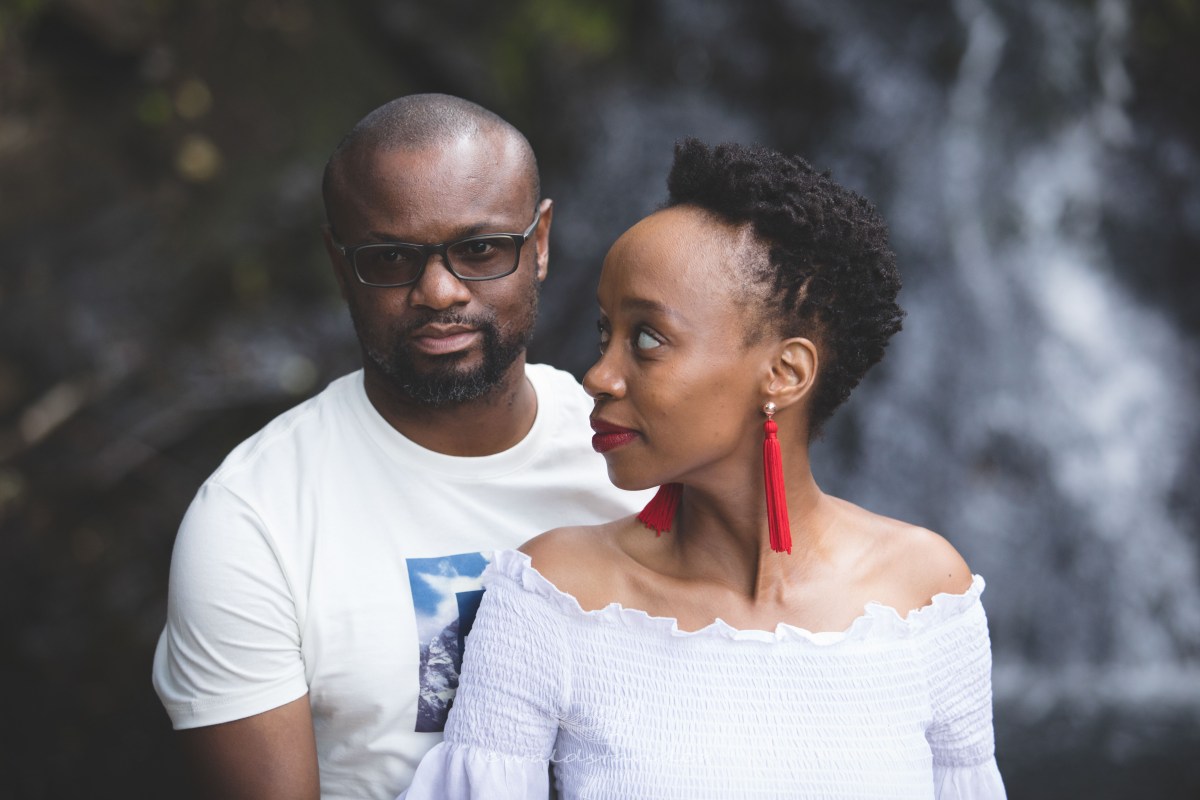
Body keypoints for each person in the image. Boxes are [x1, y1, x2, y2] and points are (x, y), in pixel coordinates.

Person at [401, 139, 1007, 799]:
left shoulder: (925, 596)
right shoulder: (553, 596)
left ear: (785, 372)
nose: (599, 375)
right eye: (605, 334)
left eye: (647, 339)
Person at [151, 94, 649, 800]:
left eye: (479, 249)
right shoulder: (252, 523)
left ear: (539, 244)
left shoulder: (640, 456)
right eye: (391, 258)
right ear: (339, 263)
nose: (439, 292)